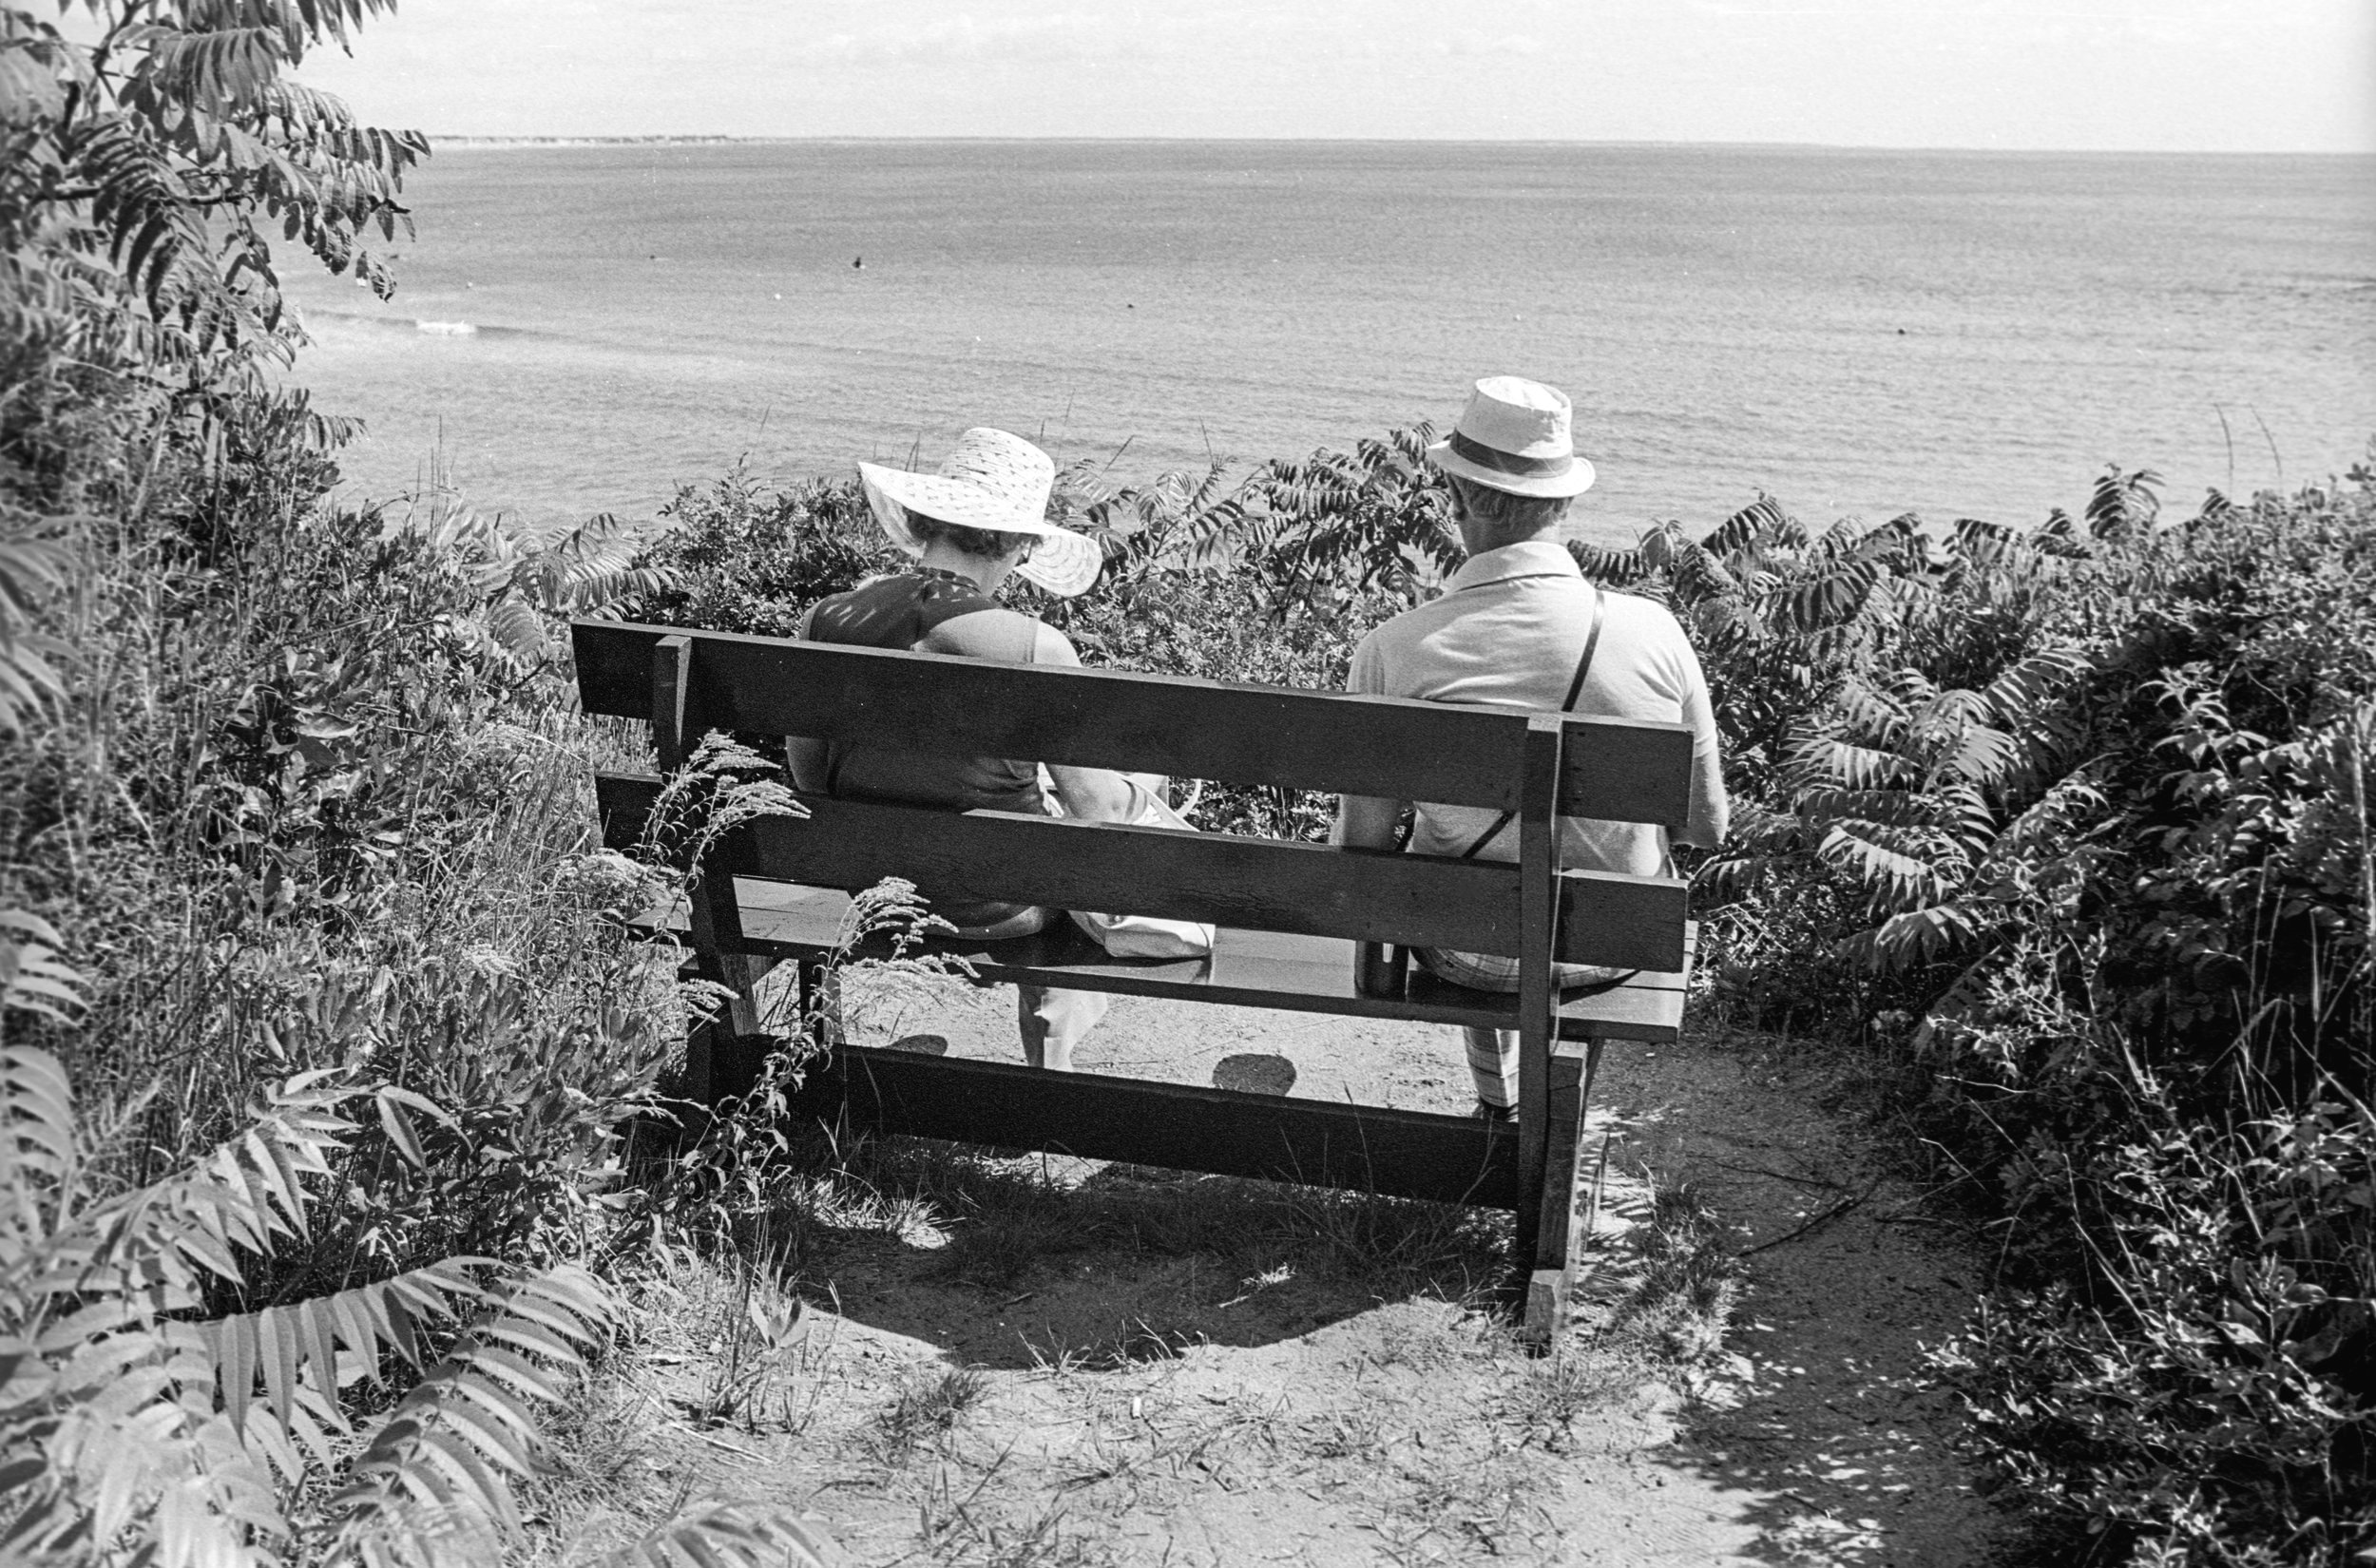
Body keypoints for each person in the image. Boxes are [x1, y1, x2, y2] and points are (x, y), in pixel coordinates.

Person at [1332, 376, 1729, 1119]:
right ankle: (1558, 1119)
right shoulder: (1654, 633)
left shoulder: (1395, 650)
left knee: (1467, 884)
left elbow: (1364, 843)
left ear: (1461, 499)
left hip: (1467, 947)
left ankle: (1498, 1101)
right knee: (1594, 883)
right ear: (1565, 504)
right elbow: (1706, 826)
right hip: (1613, 945)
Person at [786, 427, 1136, 1070]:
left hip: (871, 891)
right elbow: (1102, 816)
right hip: (999, 906)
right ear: (1019, 546)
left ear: (921, 523)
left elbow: (810, 778)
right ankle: (1058, 1025)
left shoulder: (825, 619)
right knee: (1099, 819)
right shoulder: (1037, 649)